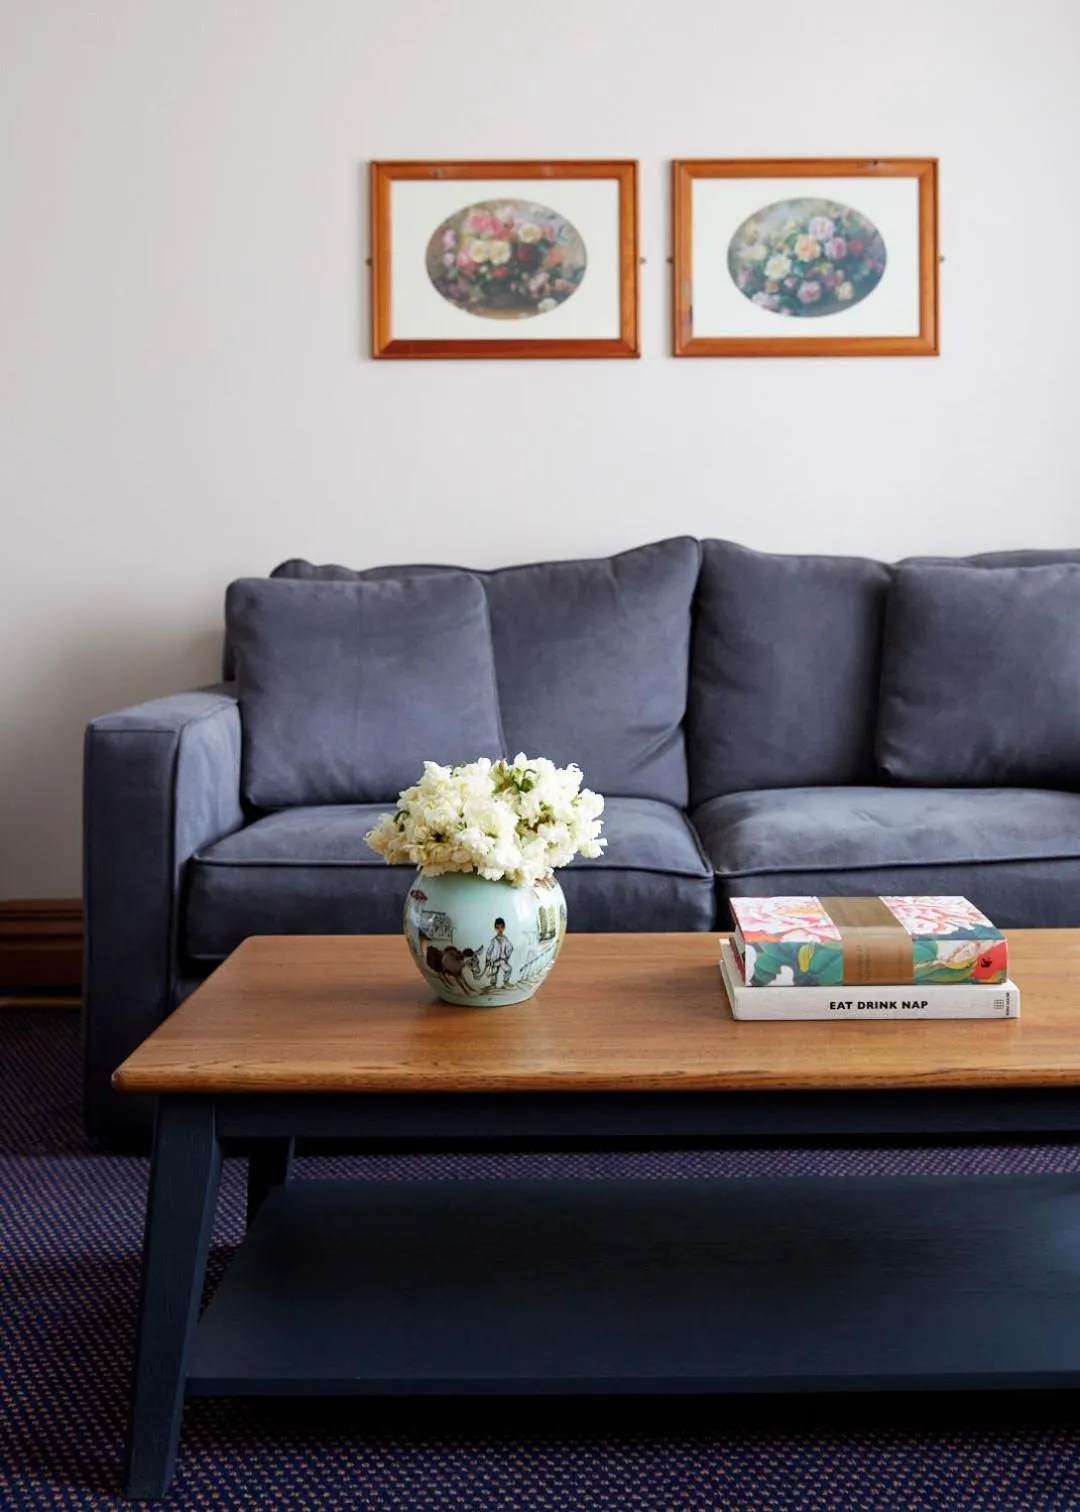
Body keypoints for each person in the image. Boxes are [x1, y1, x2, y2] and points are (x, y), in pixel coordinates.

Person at [485, 917, 513, 988]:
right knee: (493, 972)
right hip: (494, 960)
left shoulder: (505, 939)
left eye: (501, 927)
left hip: (502, 960)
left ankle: (506, 982)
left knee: (509, 969)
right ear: (495, 928)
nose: (500, 929)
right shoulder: (494, 940)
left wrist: (506, 956)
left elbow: (510, 948)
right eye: (498, 927)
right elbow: (489, 950)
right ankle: (493, 984)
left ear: (504, 928)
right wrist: (488, 959)